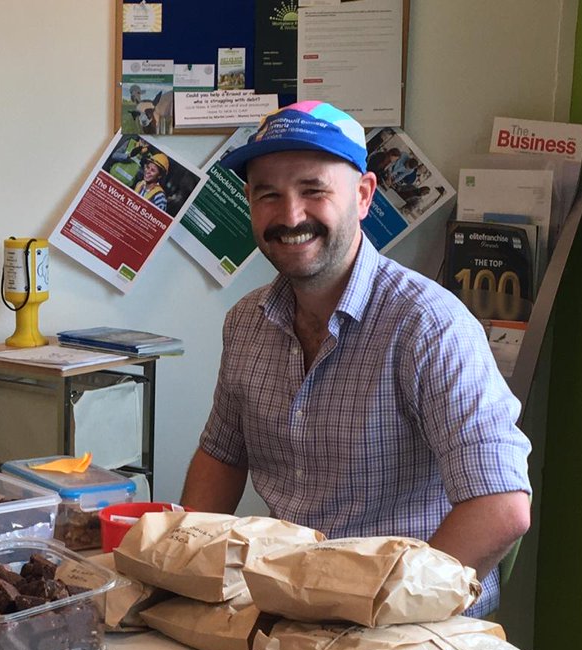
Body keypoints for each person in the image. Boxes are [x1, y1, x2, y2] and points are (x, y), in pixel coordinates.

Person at [180, 101, 531, 618]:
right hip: (292, 605)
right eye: (268, 195)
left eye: (313, 190)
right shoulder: (247, 322)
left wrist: (379, 609)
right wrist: (177, 564)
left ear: (363, 195)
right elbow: (222, 457)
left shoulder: (429, 326)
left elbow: (501, 509)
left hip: (410, 626)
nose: (290, 215)